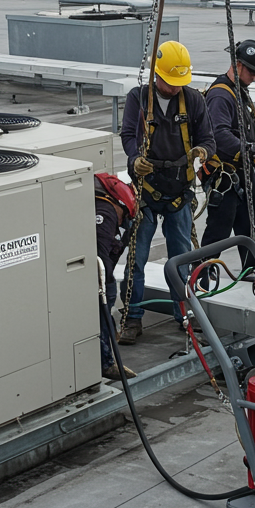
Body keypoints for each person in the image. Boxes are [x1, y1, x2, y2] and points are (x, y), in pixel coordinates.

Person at [118, 40, 215, 345]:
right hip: (146, 192)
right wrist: (135, 160)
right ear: (156, 75)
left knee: (181, 258)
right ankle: (132, 317)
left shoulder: (192, 101)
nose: (175, 89)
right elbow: (128, 134)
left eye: (179, 84)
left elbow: (208, 138)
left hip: (178, 192)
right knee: (137, 259)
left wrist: (202, 151)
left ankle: (184, 313)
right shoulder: (139, 98)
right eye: (170, 83)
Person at [200, 39, 255, 269]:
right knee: (217, 234)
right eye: (252, 71)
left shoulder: (238, 92)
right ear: (237, 65)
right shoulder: (220, 95)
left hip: (243, 177)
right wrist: (248, 148)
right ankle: (201, 278)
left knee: (250, 231)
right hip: (226, 180)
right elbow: (218, 135)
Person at [94, 173, 137, 380]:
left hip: (103, 276)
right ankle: (106, 363)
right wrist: (106, 283)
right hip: (100, 279)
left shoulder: (111, 212)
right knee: (101, 319)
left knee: (105, 318)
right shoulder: (105, 212)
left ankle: (106, 359)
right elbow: (101, 254)